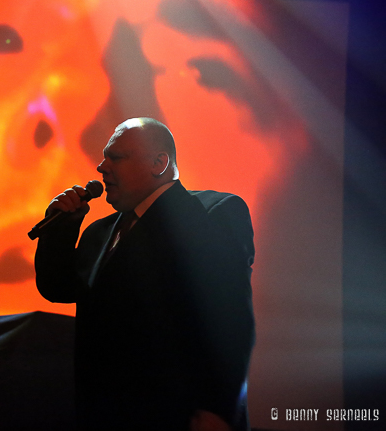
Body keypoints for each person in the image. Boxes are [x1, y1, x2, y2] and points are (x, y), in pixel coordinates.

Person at [35, 117, 255, 431]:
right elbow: (59, 288)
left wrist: (216, 407)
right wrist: (61, 229)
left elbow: (230, 316)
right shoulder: (100, 231)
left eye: (116, 157)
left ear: (159, 163)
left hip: (177, 416)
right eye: (104, 157)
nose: (101, 167)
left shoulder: (212, 212)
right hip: (105, 414)